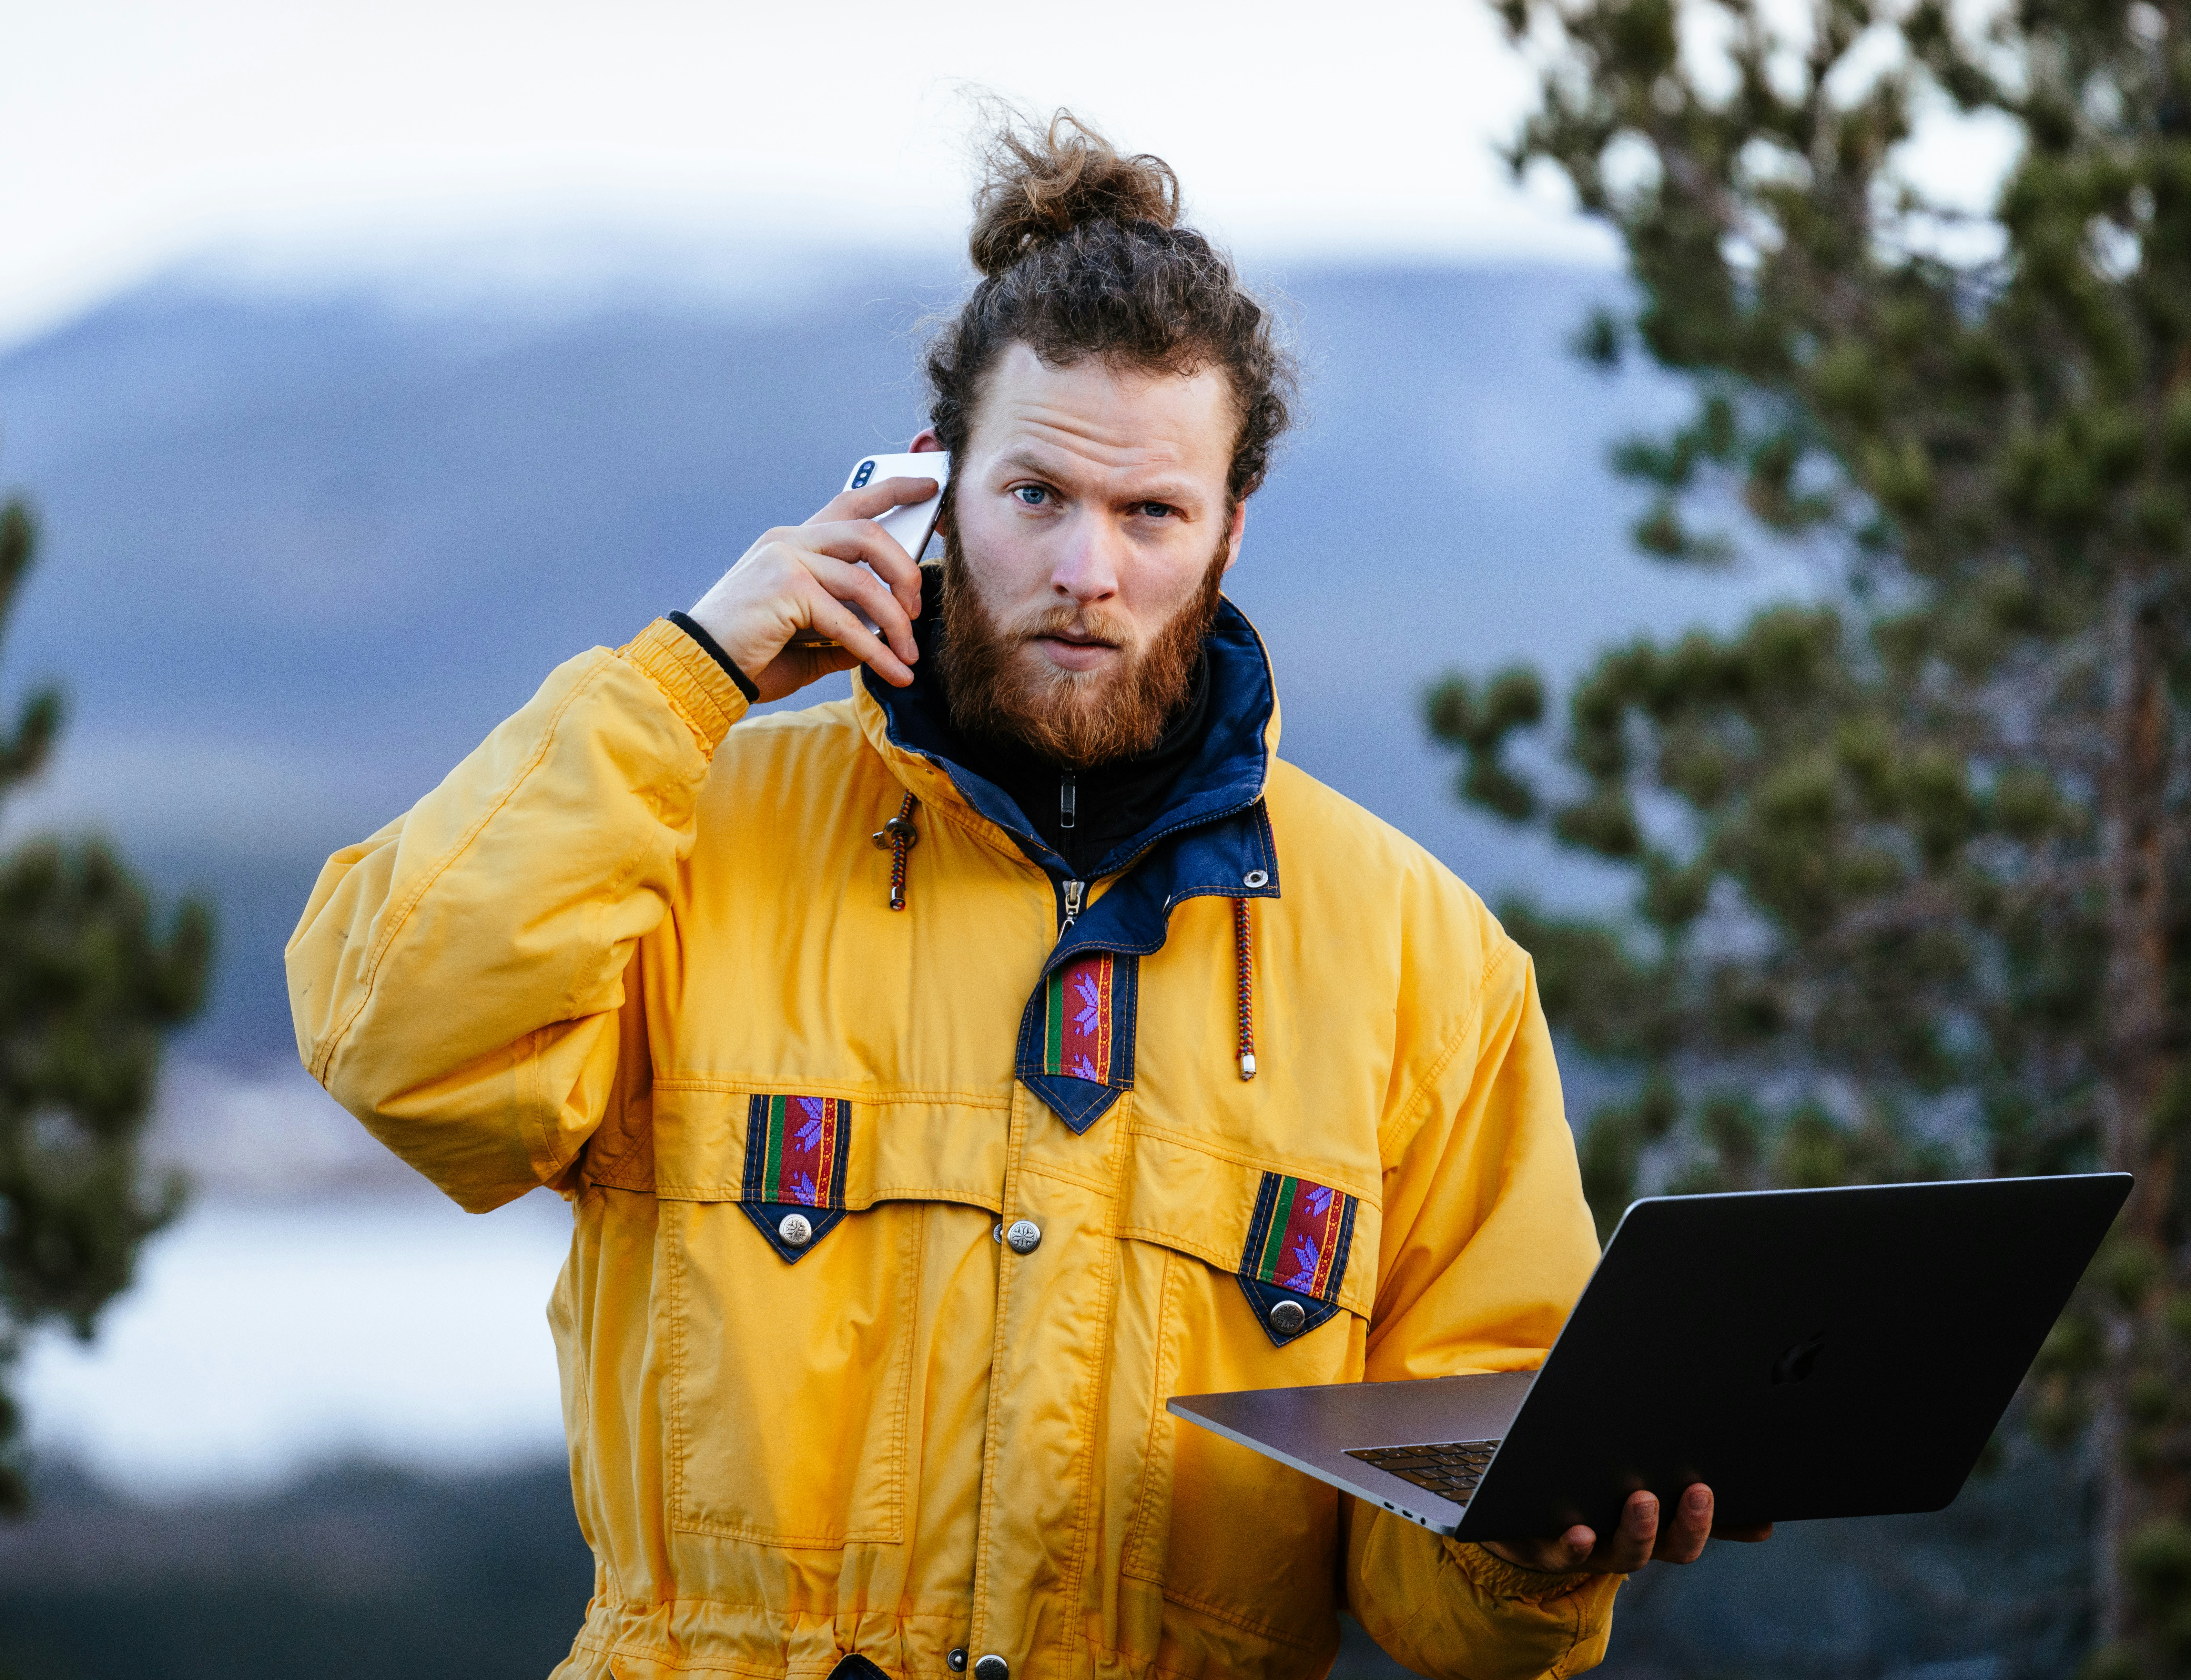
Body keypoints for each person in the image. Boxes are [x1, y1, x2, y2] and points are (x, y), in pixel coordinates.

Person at [288, 111, 1764, 1680]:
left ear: (1227, 532)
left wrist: (1535, 1560)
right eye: (1037, 496)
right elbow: (400, 1046)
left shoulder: (1423, 959)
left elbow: (1442, 1597)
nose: (1088, 571)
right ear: (935, 490)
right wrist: (686, 677)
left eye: (1151, 515)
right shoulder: (692, 824)